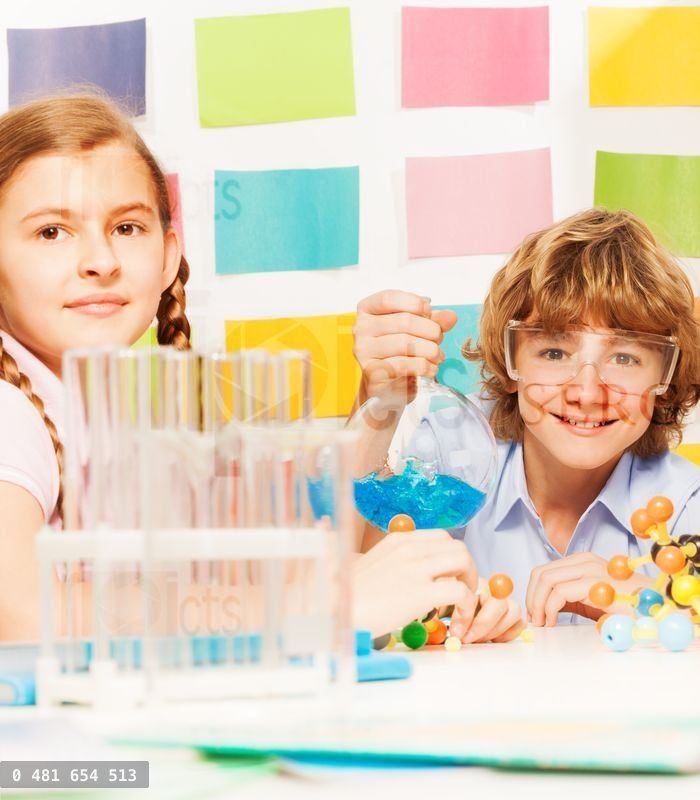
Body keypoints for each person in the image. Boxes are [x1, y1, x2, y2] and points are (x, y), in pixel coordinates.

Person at [0, 95, 491, 643]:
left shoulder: (112, 417)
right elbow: (17, 613)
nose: (101, 261)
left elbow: (293, 565)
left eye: (127, 228)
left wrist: (382, 401)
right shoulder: (9, 411)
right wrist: (320, 603)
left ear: (167, 258)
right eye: (51, 231)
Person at [353, 208, 700, 628]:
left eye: (624, 358)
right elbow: (339, 567)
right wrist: (378, 401)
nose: (586, 393)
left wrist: (652, 598)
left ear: (664, 380)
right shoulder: (457, 461)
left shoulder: (677, 504)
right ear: (510, 362)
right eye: (554, 353)